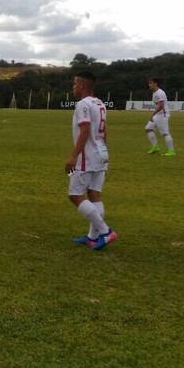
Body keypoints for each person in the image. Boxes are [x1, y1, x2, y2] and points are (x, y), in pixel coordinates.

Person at [66, 71, 116, 250]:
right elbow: (104, 129)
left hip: (87, 156)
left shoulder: (83, 104)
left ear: (81, 85)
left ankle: (105, 231)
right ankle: (92, 237)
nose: (73, 87)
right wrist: (103, 149)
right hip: (101, 153)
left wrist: (74, 156)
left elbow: (85, 130)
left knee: (74, 195)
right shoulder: (100, 103)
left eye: (75, 84)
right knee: (94, 194)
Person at [146, 77, 176, 156]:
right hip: (158, 115)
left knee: (165, 133)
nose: (149, 85)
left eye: (151, 83)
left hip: (162, 115)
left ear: (156, 84)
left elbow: (161, 106)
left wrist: (153, 114)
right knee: (148, 128)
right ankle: (155, 147)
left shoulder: (160, 93)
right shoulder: (154, 93)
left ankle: (171, 151)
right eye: (149, 83)